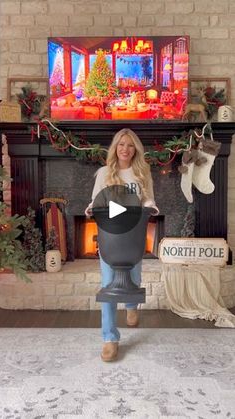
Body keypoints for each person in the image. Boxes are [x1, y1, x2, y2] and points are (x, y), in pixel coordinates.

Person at [85, 128, 159, 362]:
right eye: (121, 145)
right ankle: (110, 338)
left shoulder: (142, 172)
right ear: (115, 148)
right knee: (108, 284)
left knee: (133, 280)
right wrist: (90, 209)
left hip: (134, 232)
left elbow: (147, 197)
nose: (125, 149)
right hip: (111, 233)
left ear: (135, 148)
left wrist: (151, 206)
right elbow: (96, 199)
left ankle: (131, 303)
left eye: (129, 145)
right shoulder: (104, 173)